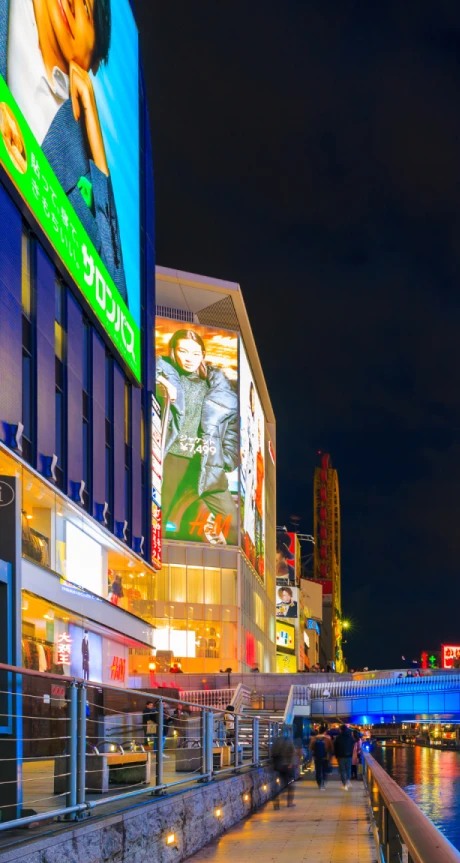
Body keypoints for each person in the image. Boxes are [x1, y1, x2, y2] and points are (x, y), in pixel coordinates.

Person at [0, 0, 129, 301]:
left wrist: (94, 136)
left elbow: (114, 302)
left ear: (95, 62)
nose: (75, 3)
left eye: (89, 8)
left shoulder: (77, 160)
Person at [156, 329, 239, 545]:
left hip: (207, 462)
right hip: (173, 457)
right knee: (162, 516)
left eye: (195, 353)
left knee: (233, 522)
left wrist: (227, 460)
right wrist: (164, 385)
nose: (189, 358)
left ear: (203, 354)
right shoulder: (164, 372)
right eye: (183, 351)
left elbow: (231, 425)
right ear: (174, 351)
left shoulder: (217, 385)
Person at [271, 734, 298, 809]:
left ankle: (276, 804)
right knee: (291, 784)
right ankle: (290, 803)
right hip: (287, 766)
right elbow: (293, 751)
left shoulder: (276, 741)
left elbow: (273, 753)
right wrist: (290, 763)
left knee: (278, 786)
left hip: (278, 767)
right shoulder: (289, 740)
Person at [333, 724, 356, 789]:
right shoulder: (350, 737)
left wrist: (336, 755)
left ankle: (344, 784)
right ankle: (348, 780)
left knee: (342, 770)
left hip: (340, 756)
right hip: (349, 756)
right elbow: (353, 745)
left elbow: (335, 747)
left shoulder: (338, 738)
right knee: (348, 769)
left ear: (341, 730)